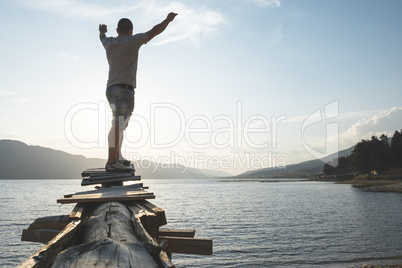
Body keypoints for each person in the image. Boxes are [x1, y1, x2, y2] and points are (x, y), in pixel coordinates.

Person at [99, 12, 177, 172]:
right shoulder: (132, 41)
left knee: (119, 125)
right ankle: (112, 162)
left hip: (111, 89)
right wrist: (167, 20)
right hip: (124, 89)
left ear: (117, 29)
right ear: (130, 31)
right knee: (117, 124)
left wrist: (102, 31)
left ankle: (118, 157)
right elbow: (154, 31)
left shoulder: (109, 42)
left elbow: (102, 37)